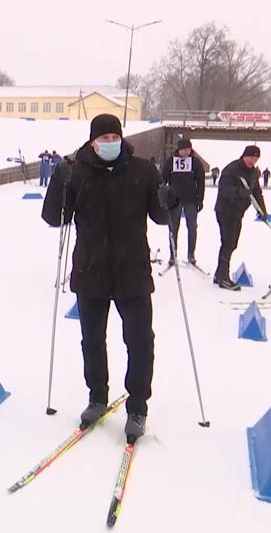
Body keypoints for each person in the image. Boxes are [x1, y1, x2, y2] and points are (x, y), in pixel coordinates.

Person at [40, 113, 173, 441]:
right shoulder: (78, 172)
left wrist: (168, 199)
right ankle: (97, 396)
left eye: (114, 138)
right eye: (103, 139)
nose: (110, 143)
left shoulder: (142, 170)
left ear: (121, 138)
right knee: (92, 340)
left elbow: (159, 216)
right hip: (91, 271)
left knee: (140, 341)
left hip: (133, 272)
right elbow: (54, 218)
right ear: (92, 141)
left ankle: (138, 406)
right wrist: (59, 182)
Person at [214, 145, 268, 290]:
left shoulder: (253, 173)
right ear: (244, 156)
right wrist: (239, 192)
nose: (253, 160)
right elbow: (224, 189)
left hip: (238, 212)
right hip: (225, 210)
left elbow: (256, 192)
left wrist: (262, 210)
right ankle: (223, 277)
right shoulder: (232, 169)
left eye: (256, 158)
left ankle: (219, 273)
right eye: (250, 157)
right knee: (228, 242)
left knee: (232, 243)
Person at [160, 138, 206, 265]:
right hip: (174, 200)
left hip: (191, 199)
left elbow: (201, 182)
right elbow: (163, 179)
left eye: (188, 149)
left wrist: (200, 199)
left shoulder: (195, 162)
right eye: (183, 149)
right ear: (178, 149)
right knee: (173, 228)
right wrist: (164, 197)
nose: (186, 152)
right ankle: (172, 254)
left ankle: (191, 254)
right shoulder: (171, 161)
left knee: (192, 227)